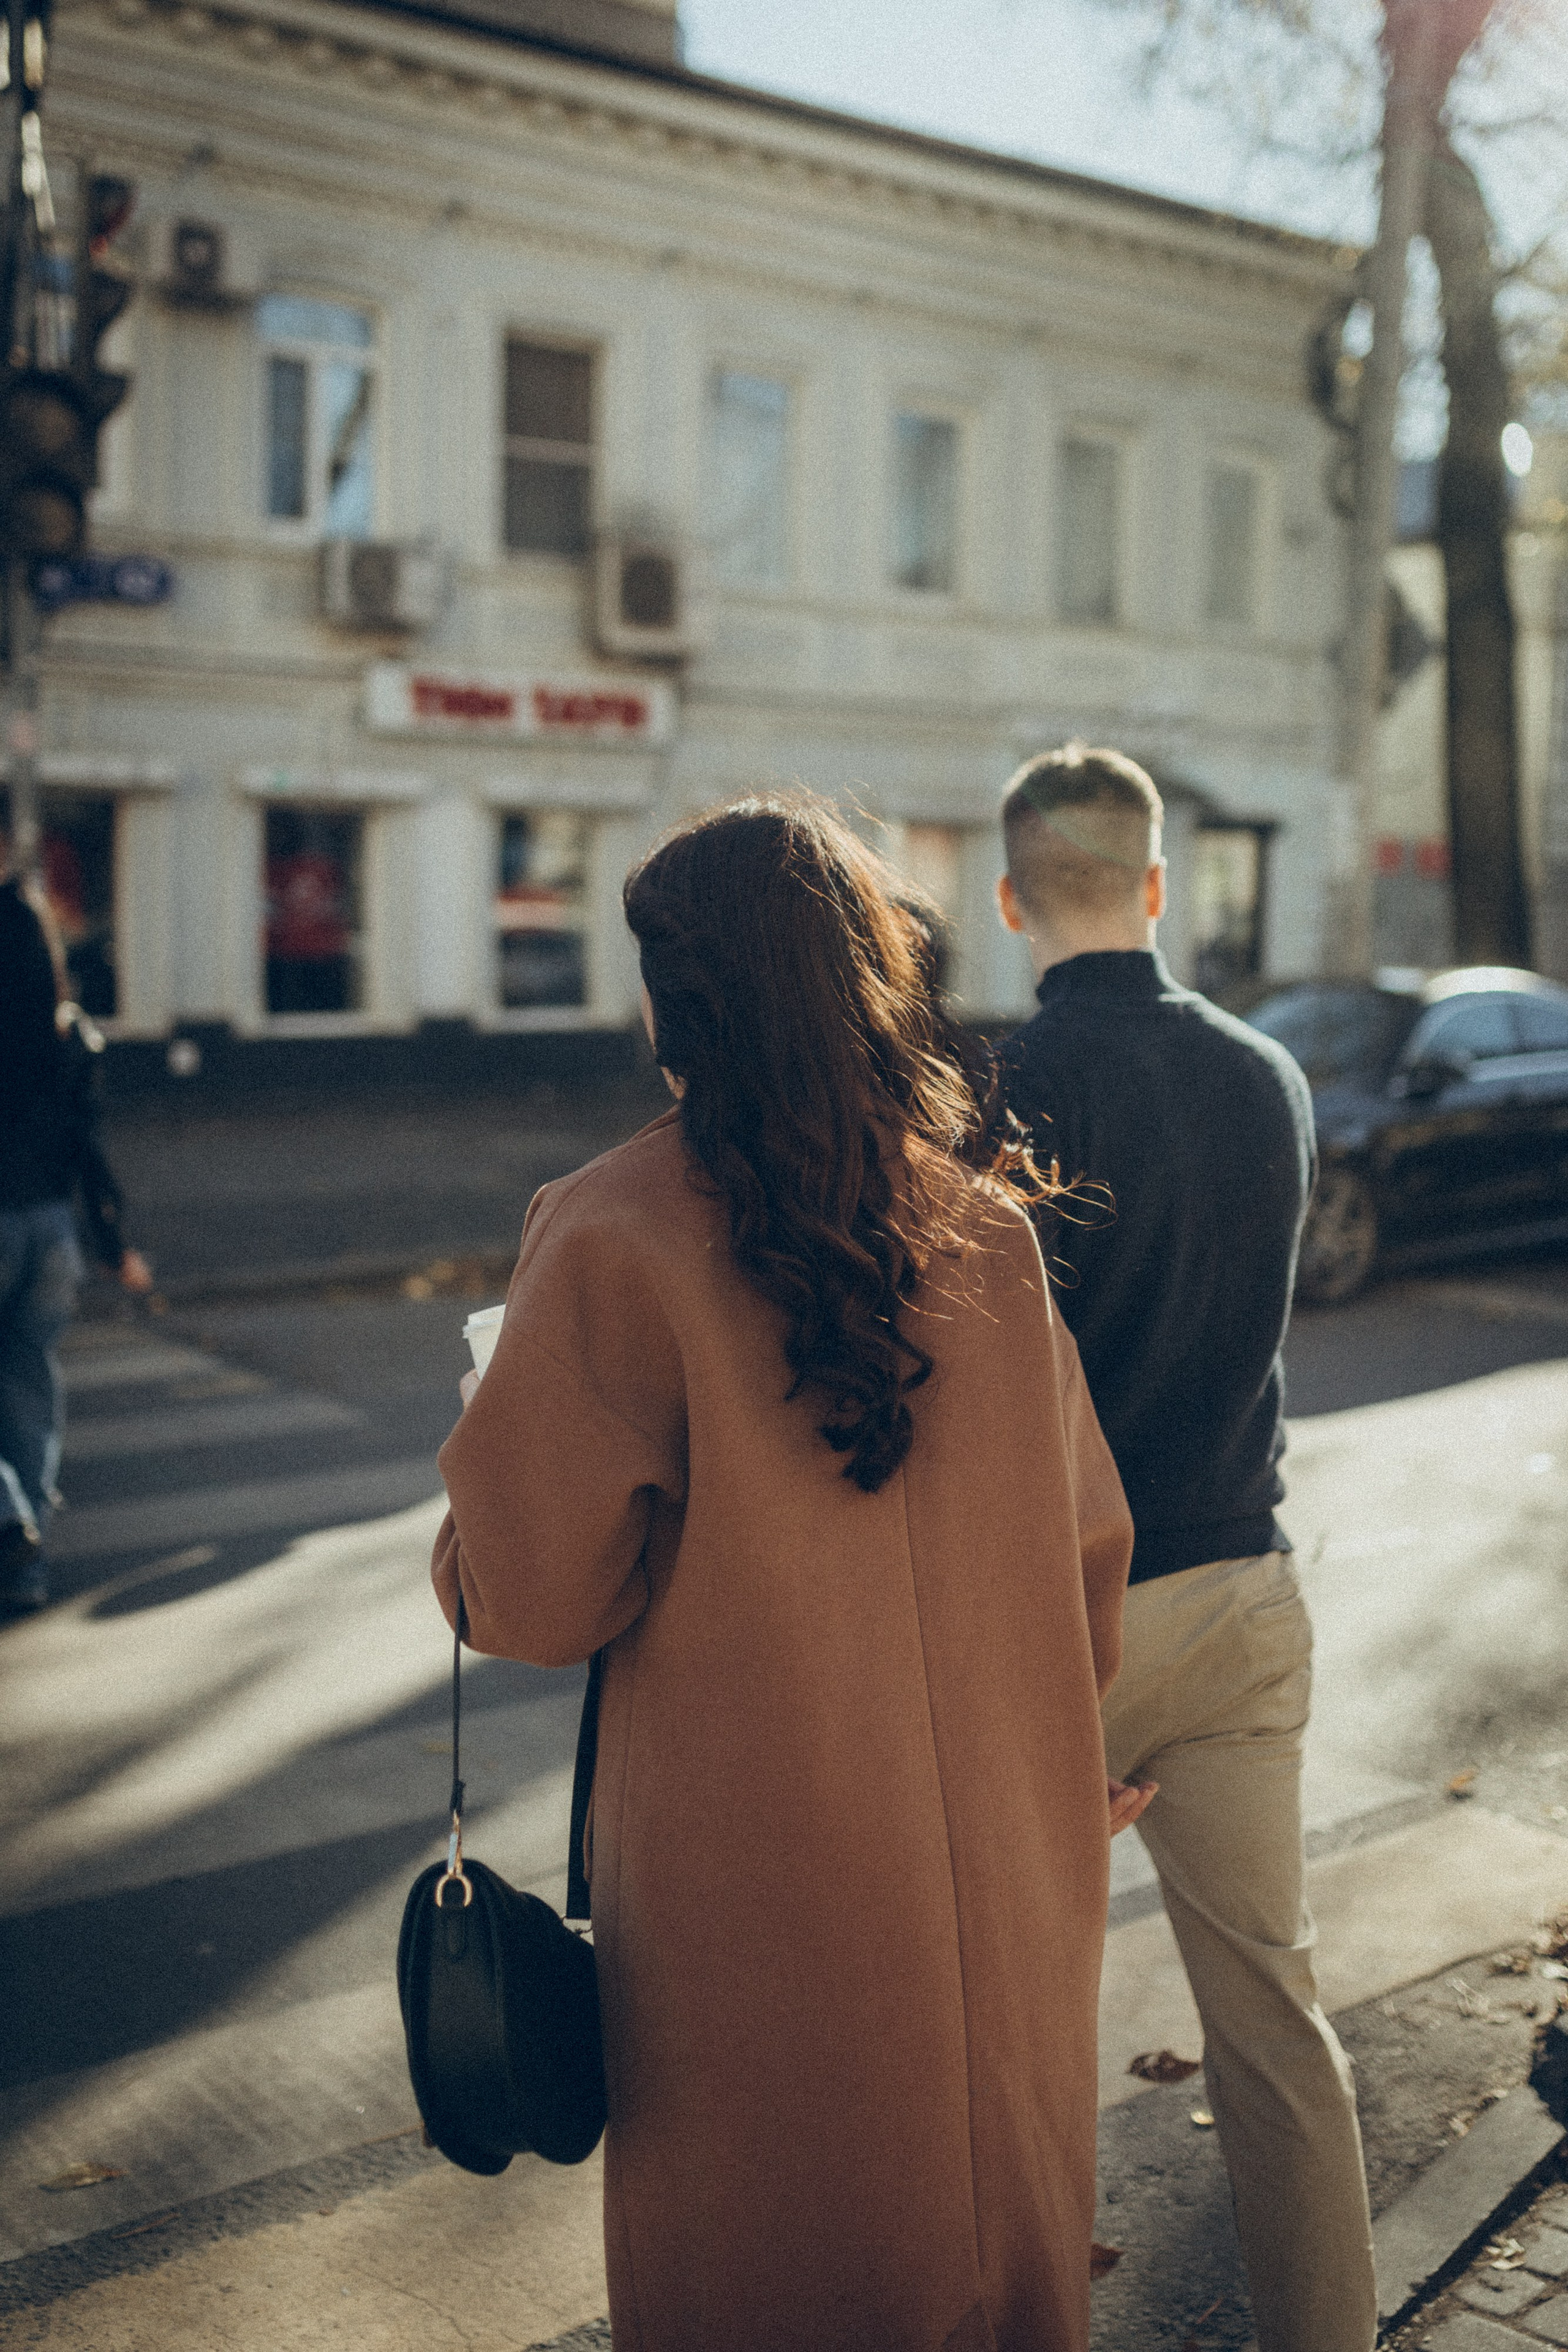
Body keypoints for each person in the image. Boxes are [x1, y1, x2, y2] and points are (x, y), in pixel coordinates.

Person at [432, 796, 1136, 2352]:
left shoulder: (610, 1227)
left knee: (775, 2272)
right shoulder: (990, 1232)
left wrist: (485, 1435)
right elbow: (1089, 1558)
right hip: (1009, 1876)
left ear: (672, 997)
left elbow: (527, 1598)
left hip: (761, 1909)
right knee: (993, 2248)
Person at [995, 744, 1376, 2352]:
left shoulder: (1002, 1094)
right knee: (1274, 2025)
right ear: (1159, 887)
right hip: (1244, 1593)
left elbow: (985, 1399)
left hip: (1061, 1623)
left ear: (1012, 901)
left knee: (1012, 2045)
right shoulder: (1271, 1077)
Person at [0, 841, 153, 1616]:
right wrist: (115, 1245)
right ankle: (24, 1565)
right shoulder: (62, 1036)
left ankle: (12, 1521)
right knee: (27, 1383)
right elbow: (83, 1143)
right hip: (52, 1232)